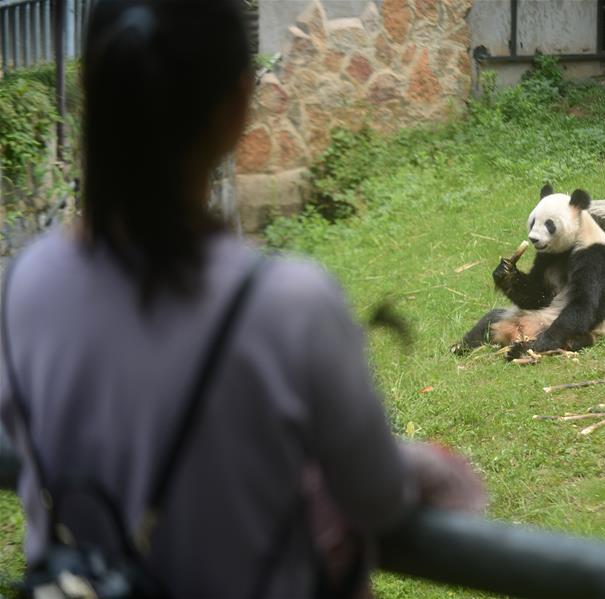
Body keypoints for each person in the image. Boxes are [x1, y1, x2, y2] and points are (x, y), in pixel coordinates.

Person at [0, 0, 485, 597]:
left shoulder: (21, 287)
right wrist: (422, 464)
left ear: (93, 95)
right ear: (238, 105)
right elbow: (376, 498)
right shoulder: (289, 306)